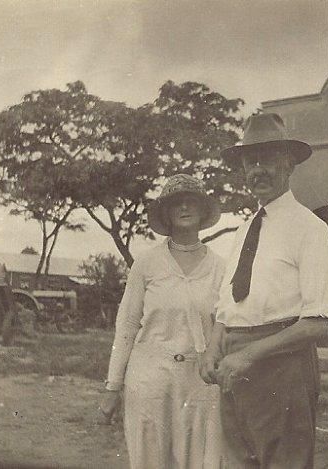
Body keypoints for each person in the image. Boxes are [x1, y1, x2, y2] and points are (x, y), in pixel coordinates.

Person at [200, 113, 328, 468]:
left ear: (289, 164)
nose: (257, 170)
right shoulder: (243, 230)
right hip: (232, 366)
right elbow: (227, 305)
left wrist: (249, 355)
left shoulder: (311, 228)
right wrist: (213, 347)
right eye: (250, 161)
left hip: (282, 365)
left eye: (268, 159)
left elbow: (319, 322)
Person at [99, 174, 226, 469]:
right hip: (150, 381)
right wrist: (112, 386)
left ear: (203, 210)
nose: (184, 207)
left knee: (202, 460)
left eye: (191, 200)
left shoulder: (221, 267)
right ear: (166, 214)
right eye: (175, 203)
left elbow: (226, 326)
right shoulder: (147, 263)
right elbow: (127, 325)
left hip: (201, 384)